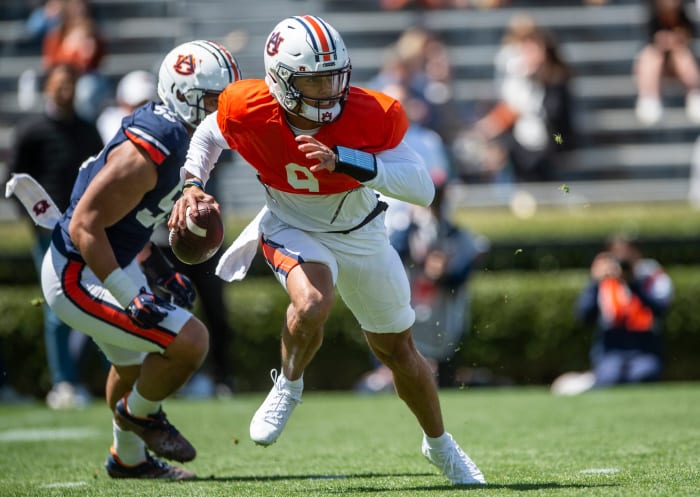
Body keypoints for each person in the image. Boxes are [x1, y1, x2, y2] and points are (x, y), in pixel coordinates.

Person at [169, 15, 485, 485]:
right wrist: (192, 183)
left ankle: (440, 446)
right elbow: (209, 133)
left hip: (361, 231)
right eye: (314, 82)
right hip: (290, 224)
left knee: (399, 350)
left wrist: (346, 160)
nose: (328, 92)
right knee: (313, 299)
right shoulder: (249, 107)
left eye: (334, 78)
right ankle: (290, 383)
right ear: (281, 81)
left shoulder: (370, 113)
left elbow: (422, 188)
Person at [40, 40, 242, 479]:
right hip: (77, 271)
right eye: (214, 101)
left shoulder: (181, 135)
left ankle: (127, 458)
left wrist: (156, 266)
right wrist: (131, 293)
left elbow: (127, 220)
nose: (223, 112)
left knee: (131, 366)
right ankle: (140, 416)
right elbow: (85, 226)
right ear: (186, 97)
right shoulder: (156, 144)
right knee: (190, 341)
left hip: (109, 256)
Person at [8, 63, 104, 409]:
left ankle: (104, 379)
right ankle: (63, 382)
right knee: (56, 305)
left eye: (71, 85)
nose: (66, 91)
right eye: (60, 85)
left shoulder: (87, 129)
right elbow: (15, 180)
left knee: (100, 299)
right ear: (47, 87)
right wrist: (34, 221)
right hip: (50, 232)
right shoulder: (31, 130)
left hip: (86, 228)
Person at [357, 171, 489, 392]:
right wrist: (412, 222)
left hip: (443, 325)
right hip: (409, 321)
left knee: (442, 385)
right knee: (386, 381)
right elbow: (388, 259)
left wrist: (443, 272)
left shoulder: (460, 237)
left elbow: (462, 275)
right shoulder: (406, 232)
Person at [551, 235, 674, 395]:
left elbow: (660, 310)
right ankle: (589, 379)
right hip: (612, 347)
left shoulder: (650, 276)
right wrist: (594, 283)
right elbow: (584, 317)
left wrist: (633, 283)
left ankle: (590, 379)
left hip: (645, 346)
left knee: (643, 376)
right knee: (610, 378)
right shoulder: (604, 279)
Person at [464, 21, 575, 182]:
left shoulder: (556, 80)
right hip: (524, 144)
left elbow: (555, 117)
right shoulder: (519, 77)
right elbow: (511, 108)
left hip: (555, 138)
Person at [633, 0, 700, 125]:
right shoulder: (651, 18)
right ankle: (649, 97)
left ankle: (695, 94)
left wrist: (675, 41)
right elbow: (651, 41)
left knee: (682, 55)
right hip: (659, 64)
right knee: (651, 56)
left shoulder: (685, 16)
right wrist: (665, 42)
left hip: (678, 65)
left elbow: (689, 38)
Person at [96, 70, 157, 144]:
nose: (144, 111)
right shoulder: (110, 122)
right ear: (122, 103)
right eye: (137, 106)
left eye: (151, 106)